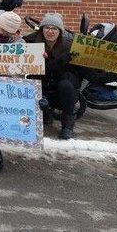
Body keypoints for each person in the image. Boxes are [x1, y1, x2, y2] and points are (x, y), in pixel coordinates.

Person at [25, 12, 78, 140]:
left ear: (60, 31)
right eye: (46, 28)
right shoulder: (31, 43)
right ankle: (43, 114)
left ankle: (67, 126)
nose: (50, 31)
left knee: (66, 85)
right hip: (41, 83)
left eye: (54, 28)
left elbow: (90, 71)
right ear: (41, 29)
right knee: (30, 83)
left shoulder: (70, 47)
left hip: (61, 87)